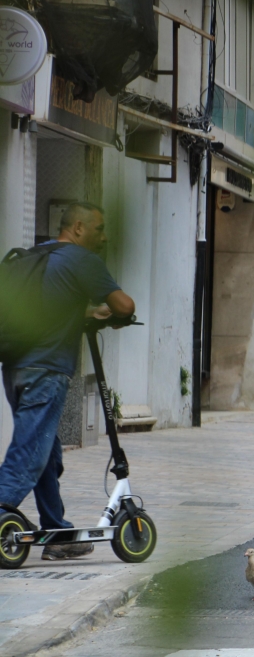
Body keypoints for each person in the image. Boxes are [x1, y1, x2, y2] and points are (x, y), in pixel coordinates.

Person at [0, 202, 135, 561]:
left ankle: (57, 532)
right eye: (99, 228)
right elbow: (124, 305)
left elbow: (51, 304)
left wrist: (86, 312)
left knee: (46, 452)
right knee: (30, 453)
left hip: (15, 368)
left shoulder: (36, 255)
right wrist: (114, 312)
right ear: (77, 228)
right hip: (47, 370)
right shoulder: (81, 260)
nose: (105, 237)